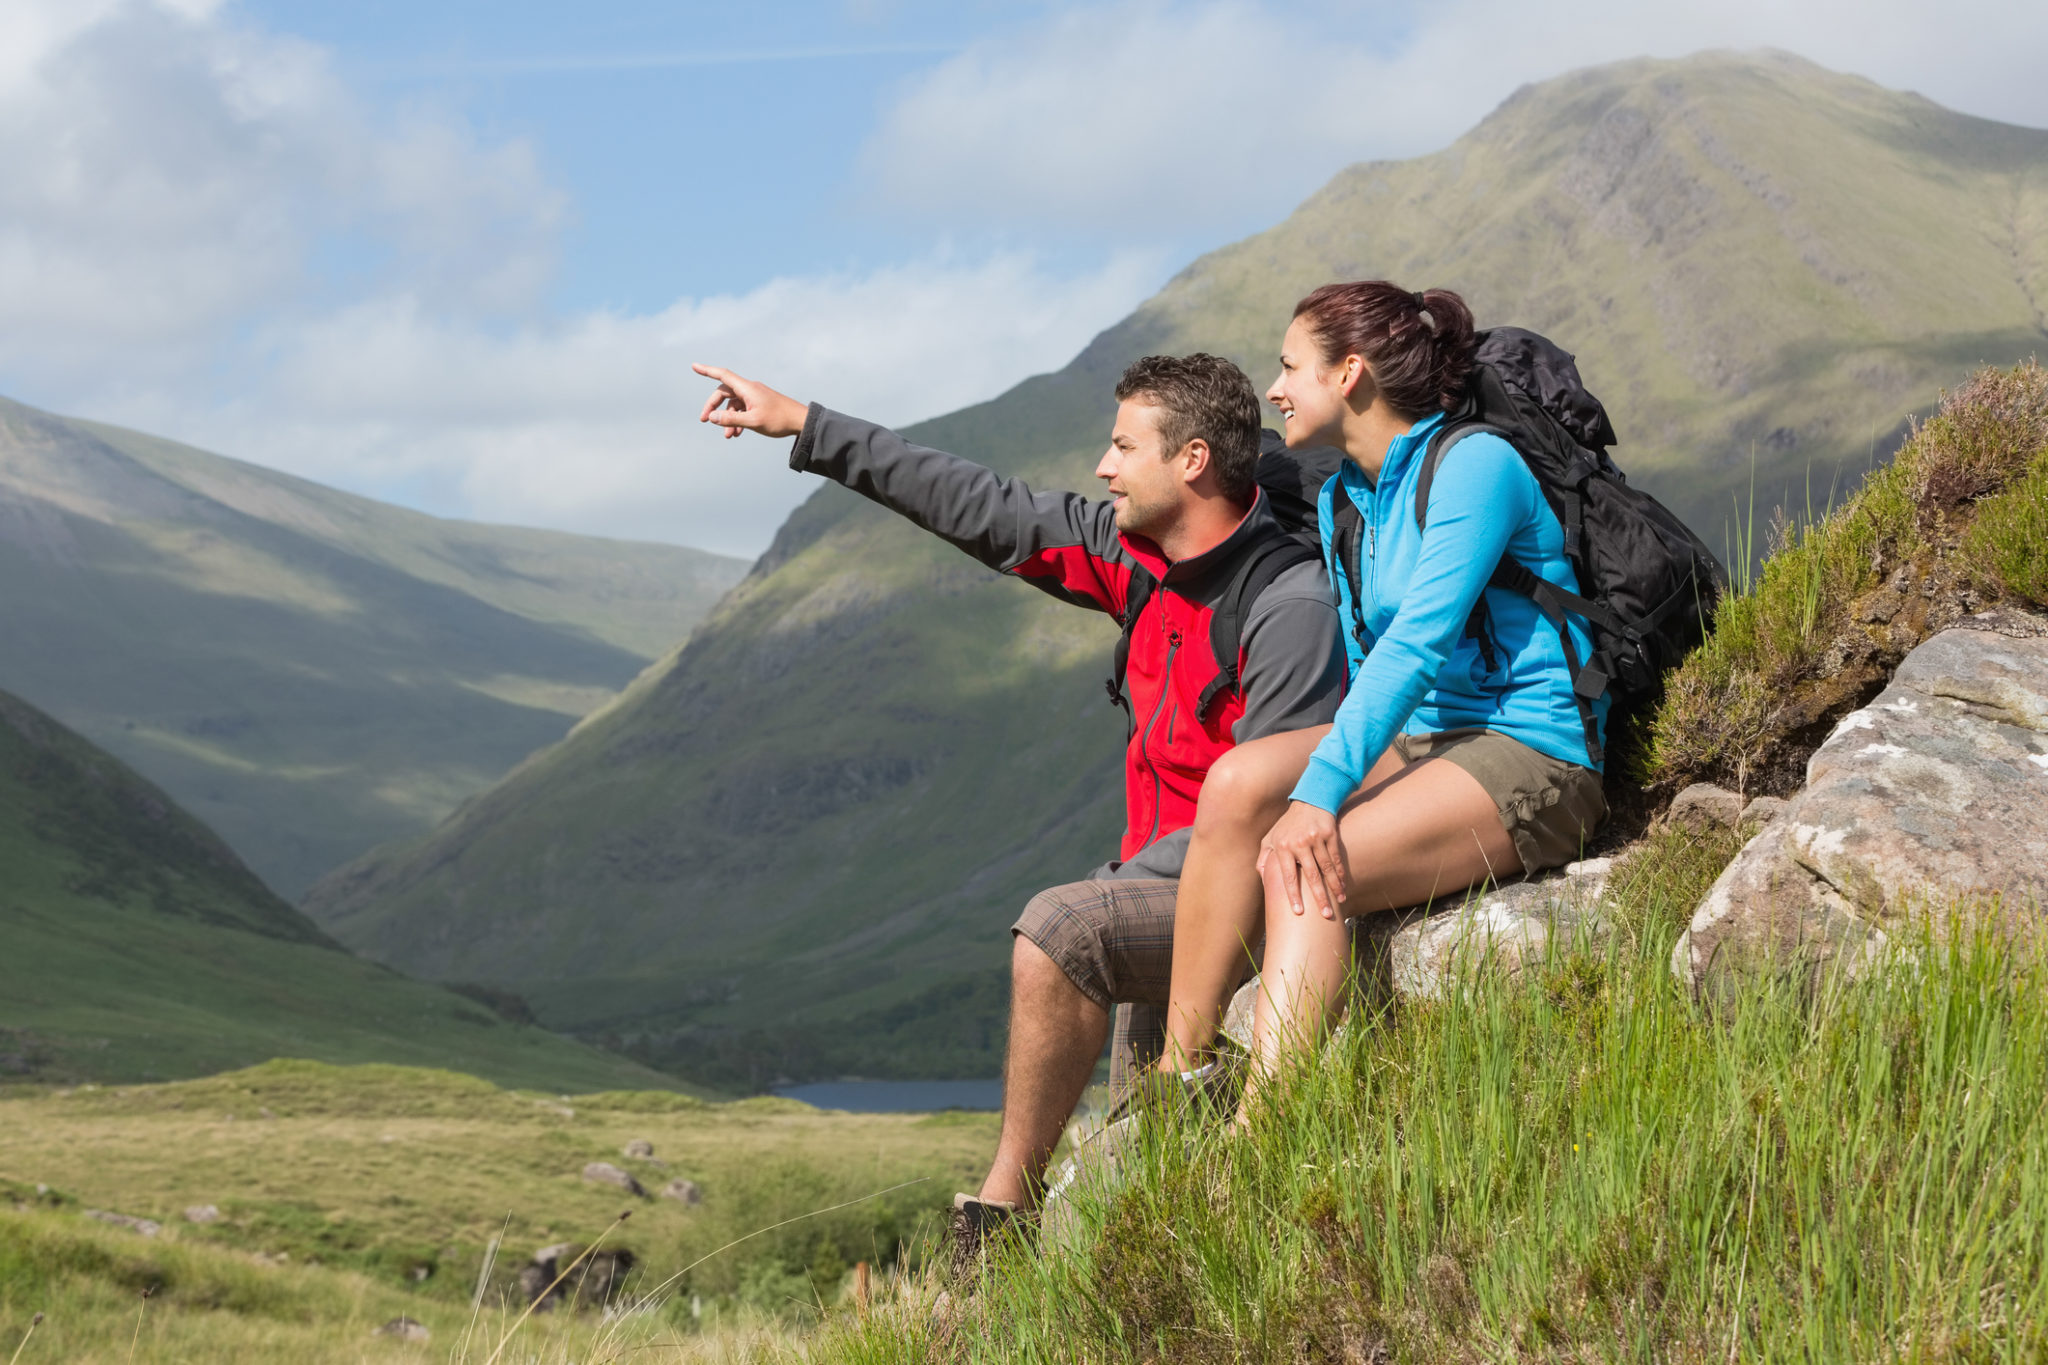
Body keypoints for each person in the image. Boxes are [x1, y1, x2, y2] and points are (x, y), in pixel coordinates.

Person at [693, 353, 1346, 1251]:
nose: (1102, 466)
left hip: (1238, 905)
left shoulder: (1289, 606)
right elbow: (981, 506)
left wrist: (1118, 889)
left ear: (1192, 460)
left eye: (1122, 446)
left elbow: (1278, 815)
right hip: (1161, 893)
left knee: (1063, 931)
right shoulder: (1140, 564)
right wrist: (806, 425)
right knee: (1153, 1188)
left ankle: (997, 1227)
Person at [1151, 281, 1610, 1098]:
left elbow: (1418, 644)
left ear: (1350, 373)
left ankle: (1267, 1131)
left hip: (1532, 746)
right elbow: (1366, 667)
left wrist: (1321, 795)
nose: (1276, 389)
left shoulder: (1475, 466)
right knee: (1235, 783)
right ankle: (1181, 1073)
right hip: (1426, 743)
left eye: (1291, 367)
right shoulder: (1341, 499)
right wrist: (1318, 781)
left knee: (1306, 864)